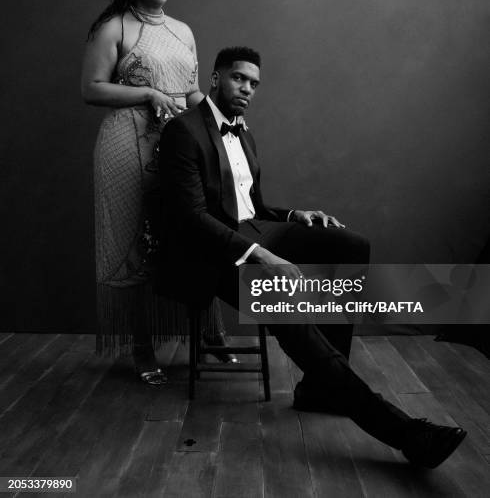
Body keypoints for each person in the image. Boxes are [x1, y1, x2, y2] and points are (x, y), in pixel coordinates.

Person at [158, 46, 466, 468]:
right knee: (288, 307)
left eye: (254, 83)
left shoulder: (243, 132)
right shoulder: (183, 130)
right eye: (238, 78)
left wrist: (292, 216)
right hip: (212, 253)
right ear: (215, 78)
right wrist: (262, 255)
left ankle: (320, 389)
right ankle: (405, 433)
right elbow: (191, 218)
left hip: (251, 230)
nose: (247, 88)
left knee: (350, 245)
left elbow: (251, 206)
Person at [81, 0, 234, 385]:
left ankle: (211, 337)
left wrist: (223, 125)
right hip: (126, 145)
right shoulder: (114, 27)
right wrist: (147, 94)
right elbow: (91, 88)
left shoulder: (183, 31)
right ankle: (142, 348)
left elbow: (189, 92)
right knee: (134, 246)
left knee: (195, 233)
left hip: (179, 147)